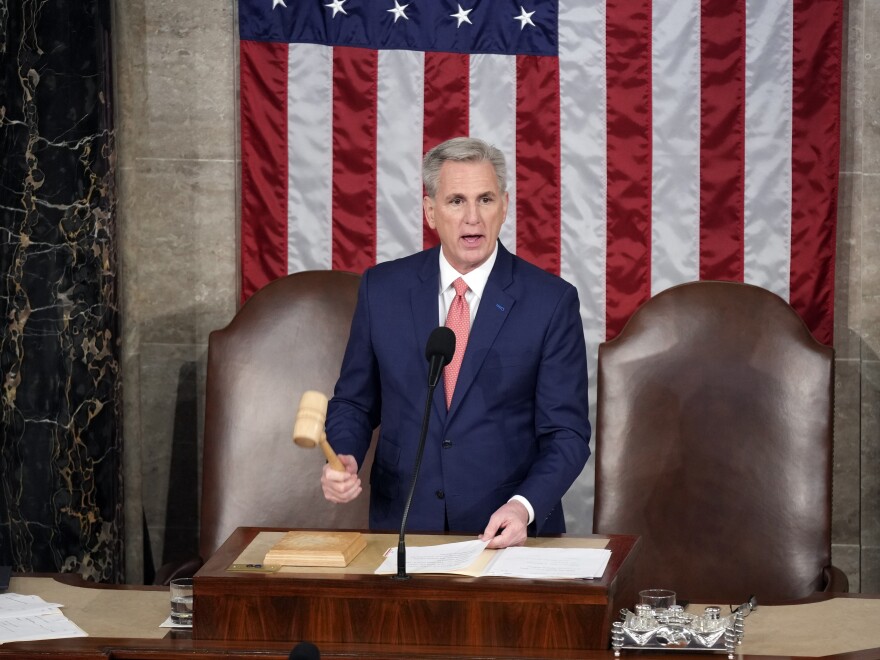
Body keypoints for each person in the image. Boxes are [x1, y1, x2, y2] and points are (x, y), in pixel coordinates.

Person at [320, 137, 591, 549]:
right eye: (456, 201)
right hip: (404, 527)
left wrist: (523, 506)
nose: (472, 219)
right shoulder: (383, 290)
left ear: (505, 205)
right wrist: (344, 455)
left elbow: (567, 434)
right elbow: (354, 402)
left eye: (484, 200)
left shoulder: (550, 302)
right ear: (431, 211)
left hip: (506, 532)